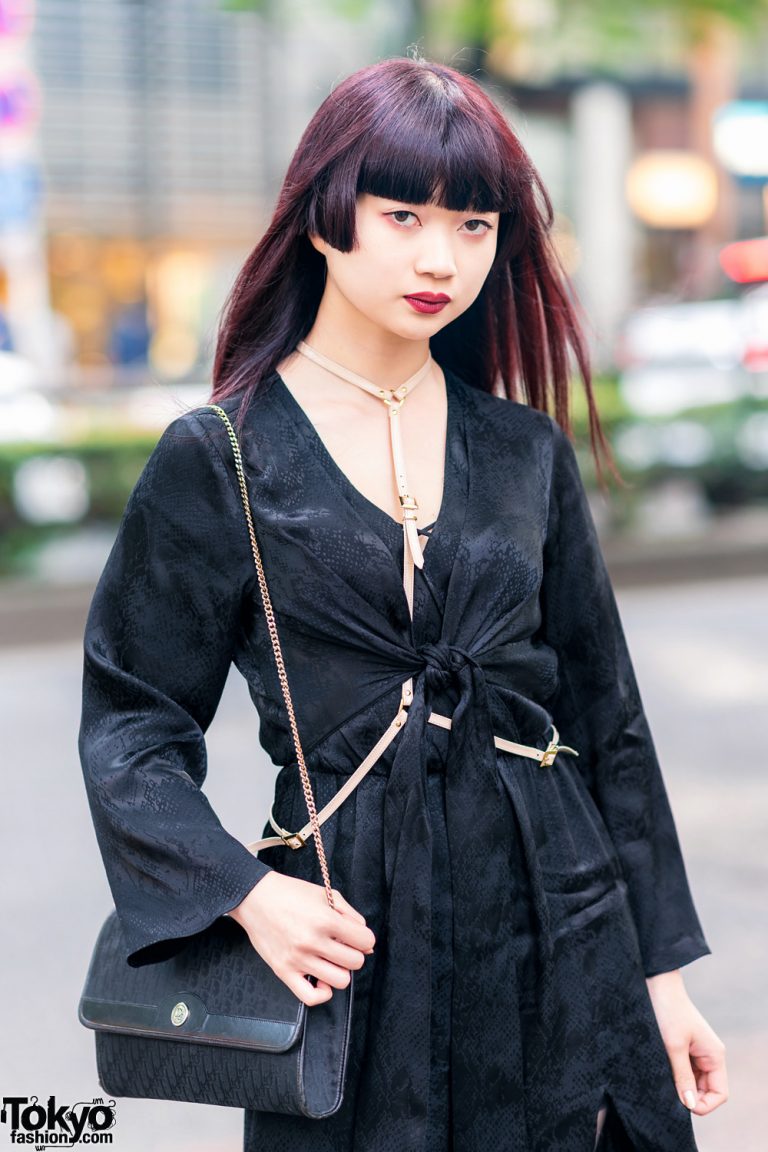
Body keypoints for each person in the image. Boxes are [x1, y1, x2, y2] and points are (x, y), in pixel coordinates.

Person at [78, 54, 728, 1152]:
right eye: (403, 214)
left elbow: (606, 725)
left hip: (562, 935)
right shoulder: (225, 459)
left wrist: (658, 976)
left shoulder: (524, 452)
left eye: (476, 225)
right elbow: (132, 724)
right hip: (355, 942)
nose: (443, 256)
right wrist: (247, 894)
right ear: (326, 217)